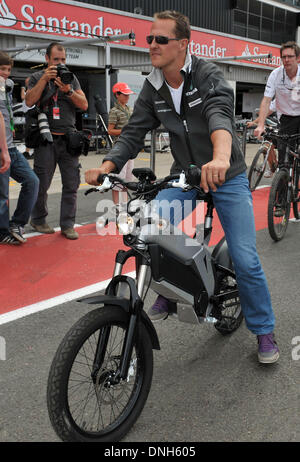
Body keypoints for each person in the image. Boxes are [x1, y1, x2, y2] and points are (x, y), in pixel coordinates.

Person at [85, 10, 279, 364]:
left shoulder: (207, 76)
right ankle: (173, 291)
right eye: (149, 39)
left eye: (161, 39)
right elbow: (132, 133)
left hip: (227, 174)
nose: (152, 45)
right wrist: (107, 166)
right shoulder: (154, 84)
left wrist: (220, 159)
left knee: (247, 259)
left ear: (183, 44)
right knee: (153, 226)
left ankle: (264, 331)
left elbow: (220, 117)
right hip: (185, 175)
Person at [25, 42, 88, 240]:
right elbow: (29, 101)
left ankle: (67, 225)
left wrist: (69, 90)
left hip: (68, 140)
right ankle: (38, 219)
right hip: (46, 139)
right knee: (41, 184)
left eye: (63, 60)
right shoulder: (37, 77)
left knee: (71, 184)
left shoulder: (71, 78)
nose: (60, 64)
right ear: (47, 59)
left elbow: (84, 105)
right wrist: (45, 79)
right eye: (56, 60)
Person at [0, 51, 39, 245]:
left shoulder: (5, 87)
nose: (6, 73)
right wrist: (5, 152)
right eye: (2, 69)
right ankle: (2, 231)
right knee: (2, 194)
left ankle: (17, 224)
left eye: (8, 69)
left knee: (32, 181)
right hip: (2, 149)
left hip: (10, 147)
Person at [254, 41, 300, 167]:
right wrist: (260, 125)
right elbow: (267, 100)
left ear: (298, 58)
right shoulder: (275, 74)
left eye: (290, 56)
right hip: (286, 118)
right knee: (284, 161)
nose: (286, 60)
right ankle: (283, 177)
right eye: (283, 57)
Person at [107, 82, 135, 204]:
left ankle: (124, 204)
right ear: (117, 95)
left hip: (130, 148)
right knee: (118, 179)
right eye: (125, 95)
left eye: (128, 95)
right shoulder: (114, 111)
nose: (127, 97)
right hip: (120, 149)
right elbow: (110, 130)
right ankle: (117, 206)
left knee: (127, 180)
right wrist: (125, 131)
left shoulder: (130, 109)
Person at [247, 99, 278, 178]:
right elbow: (265, 114)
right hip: (277, 128)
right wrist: (253, 122)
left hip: (289, 128)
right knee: (267, 144)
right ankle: (272, 168)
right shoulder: (278, 100)